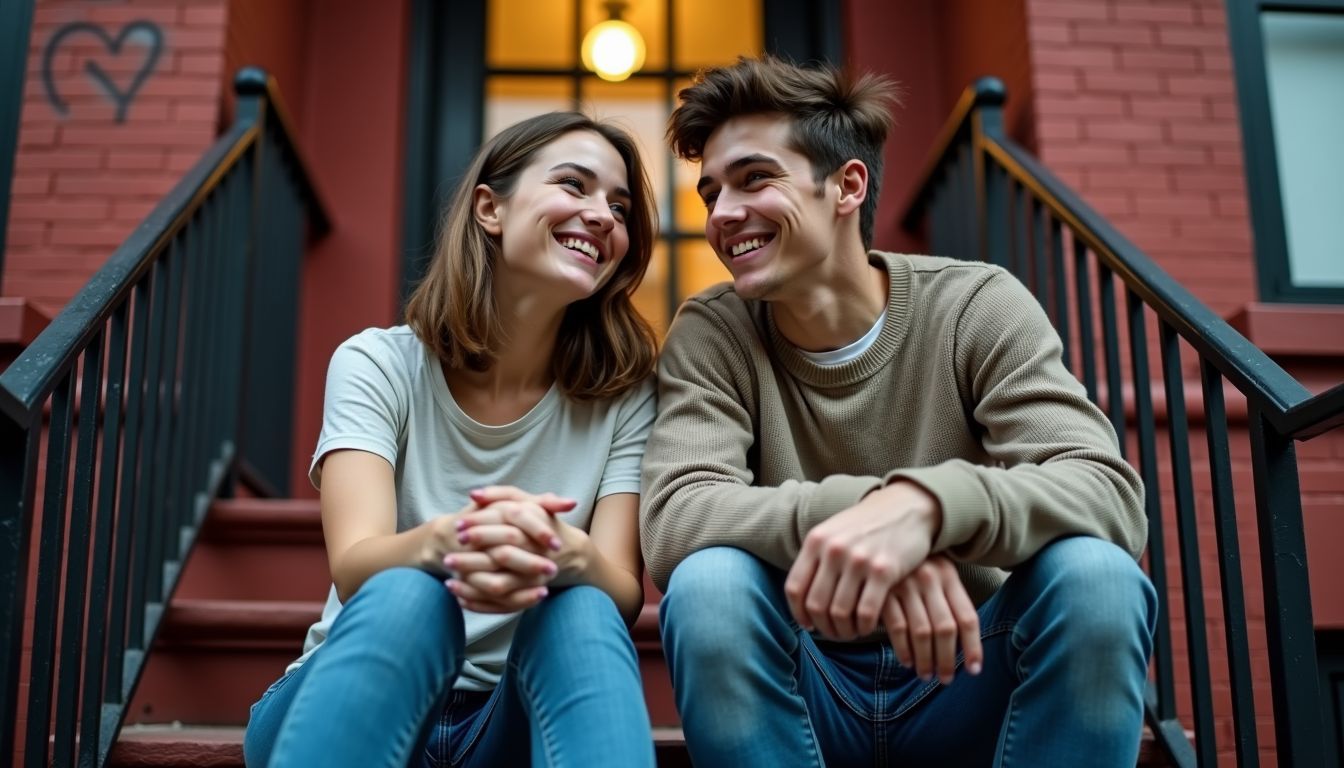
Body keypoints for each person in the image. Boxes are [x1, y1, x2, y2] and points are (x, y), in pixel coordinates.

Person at [641, 56, 1158, 766]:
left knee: (1098, 578)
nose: (723, 214)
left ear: (847, 186)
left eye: (755, 178)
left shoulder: (974, 305)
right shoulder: (713, 329)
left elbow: (1107, 491)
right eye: (710, 193)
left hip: (971, 668)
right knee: (709, 586)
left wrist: (929, 511)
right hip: (808, 683)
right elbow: (677, 517)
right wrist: (878, 517)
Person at [243, 111, 660, 768]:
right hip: (350, 697)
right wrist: (450, 541)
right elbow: (355, 565)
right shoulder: (378, 364)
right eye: (574, 186)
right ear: (490, 209)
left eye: (619, 205)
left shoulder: (628, 395)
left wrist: (565, 553)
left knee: (582, 605)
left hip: (506, 723)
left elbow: (623, 588)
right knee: (409, 592)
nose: (603, 215)